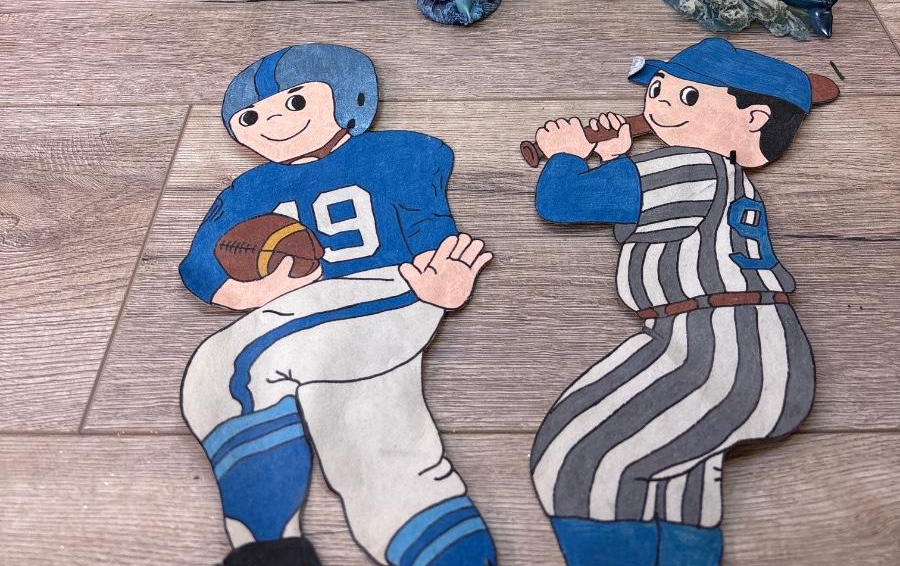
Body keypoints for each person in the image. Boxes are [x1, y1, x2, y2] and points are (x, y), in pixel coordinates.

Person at [180, 44, 496, 566]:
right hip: (298, 307)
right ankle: (443, 549)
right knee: (373, 439)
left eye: (294, 102)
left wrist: (443, 279)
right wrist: (251, 292)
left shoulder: (399, 151)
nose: (272, 121)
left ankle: (268, 549)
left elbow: (427, 225)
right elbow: (201, 264)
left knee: (232, 369)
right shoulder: (249, 188)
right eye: (252, 116)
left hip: (389, 286)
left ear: (350, 96)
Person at [529, 37, 817, 566]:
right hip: (718, 339)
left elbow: (564, 200)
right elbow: (642, 224)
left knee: (577, 460)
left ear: (753, 119)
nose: (658, 102)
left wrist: (566, 153)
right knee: (673, 490)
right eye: (658, 88)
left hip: (725, 350)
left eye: (687, 97)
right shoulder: (717, 177)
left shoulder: (695, 166)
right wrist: (613, 159)